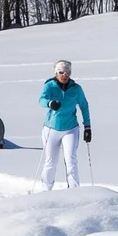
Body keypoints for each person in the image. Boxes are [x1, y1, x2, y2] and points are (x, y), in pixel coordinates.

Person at [38, 59, 92, 190]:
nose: (64, 75)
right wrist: (50, 103)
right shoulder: (50, 85)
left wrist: (87, 127)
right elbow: (41, 100)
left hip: (70, 129)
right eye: (61, 72)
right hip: (51, 128)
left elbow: (84, 106)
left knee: (71, 160)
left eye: (67, 72)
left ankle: (74, 190)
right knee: (50, 161)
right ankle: (46, 189)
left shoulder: (76, 89)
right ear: (56, 73)